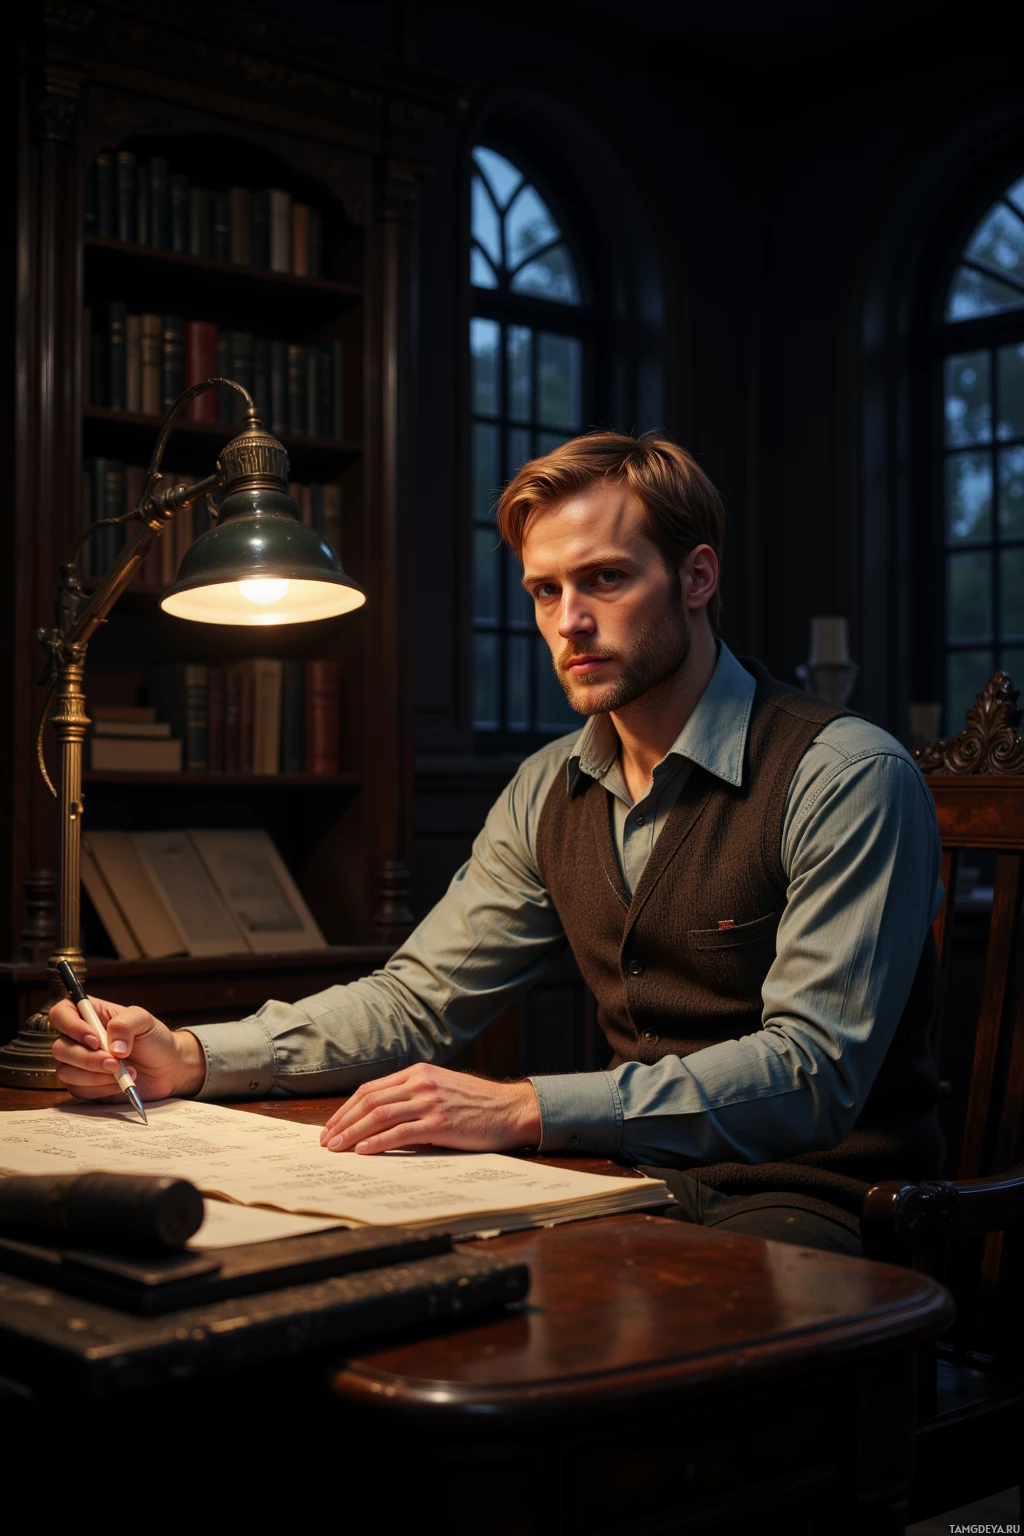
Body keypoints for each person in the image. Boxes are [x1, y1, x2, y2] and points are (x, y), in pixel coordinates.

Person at [50, 431, 943, 1255]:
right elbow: (417, 1003)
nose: (569, 622)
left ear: (697, 577)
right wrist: (195, 1056)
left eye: (605, 580)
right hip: (626, 1181)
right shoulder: (549, 786)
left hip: (822, 1199)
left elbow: (810, 1074)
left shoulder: (846, 773)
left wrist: (523, 1107)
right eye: (545, 591)